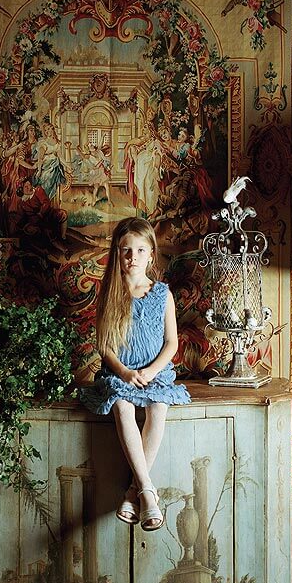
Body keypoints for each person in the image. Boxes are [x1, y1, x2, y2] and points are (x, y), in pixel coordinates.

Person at [79, 218, 191, 530]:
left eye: (140, 250)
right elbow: (105, 346)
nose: (133, 257)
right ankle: (148, 493)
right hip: (121, 374)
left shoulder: (162, 294)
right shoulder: (110, 293)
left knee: (159, 407)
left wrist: (152, 371)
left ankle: (133, 492)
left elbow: (171, 343)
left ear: (151, 254)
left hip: (156, 373)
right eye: (126, 250)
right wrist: (126, 373)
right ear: (117, 254)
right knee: (122, 405)